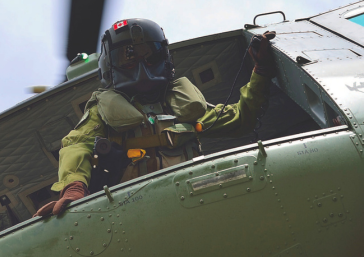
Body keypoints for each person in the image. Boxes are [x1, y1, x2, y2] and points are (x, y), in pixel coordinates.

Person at [35, 18, 275, 217]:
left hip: (195, 199)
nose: (141, 64)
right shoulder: (104, 112)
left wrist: (260, 72)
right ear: (111, 64)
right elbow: (76, 145)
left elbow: (241, 118)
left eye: (150, 55)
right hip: (134, 209)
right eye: (128, 57)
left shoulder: (180, 105)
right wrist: (75, 187)